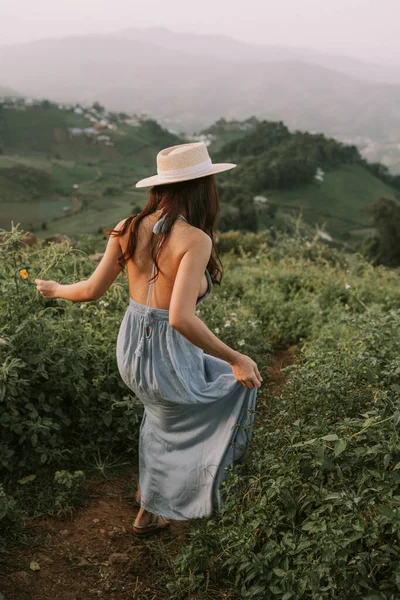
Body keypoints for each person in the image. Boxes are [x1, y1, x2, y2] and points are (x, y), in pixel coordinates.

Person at [34, 142, 262, 539]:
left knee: (162, 419)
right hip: (167, 354)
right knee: (224, 391)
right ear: (203, 186)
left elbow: (90, 290)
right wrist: (237, 356)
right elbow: (179, 318)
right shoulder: (194, 239)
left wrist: (55, 289)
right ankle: (164, 503)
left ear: (161, 186)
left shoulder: (127, 226)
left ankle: (149, 507)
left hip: (132, 350)